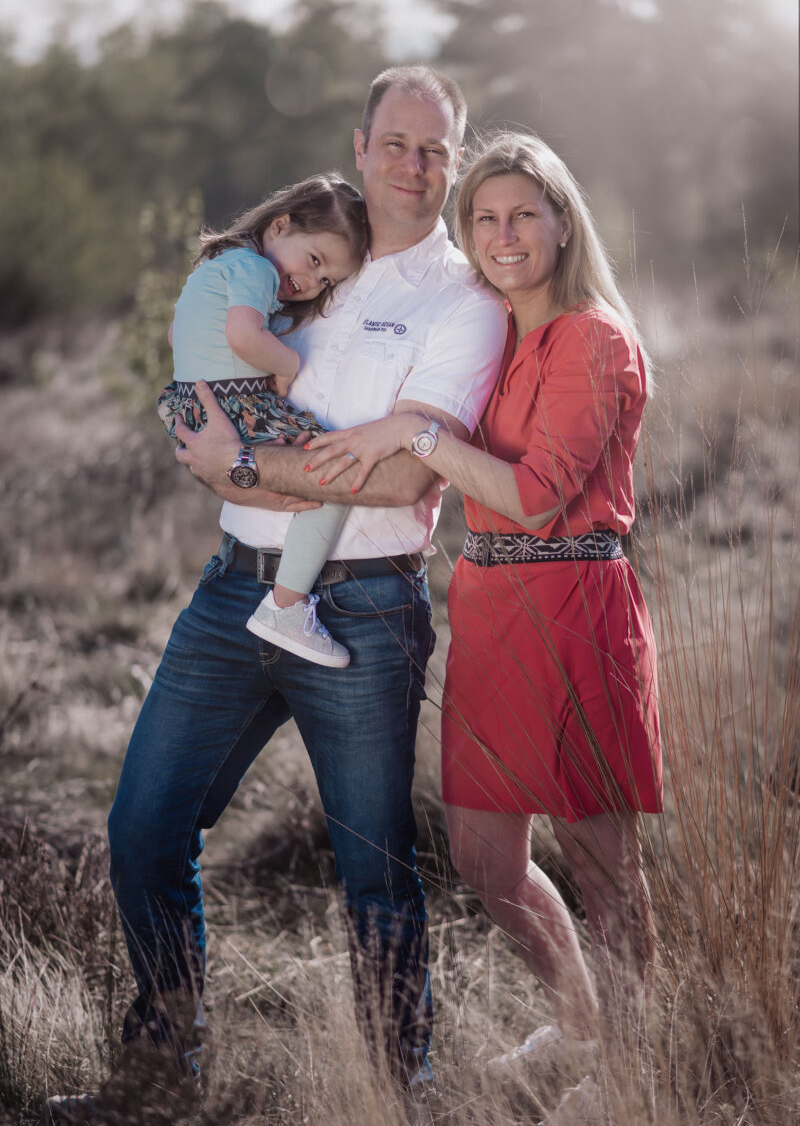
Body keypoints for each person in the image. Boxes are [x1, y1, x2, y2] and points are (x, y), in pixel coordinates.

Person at [46, 66, 508, 1124]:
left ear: (454, 160)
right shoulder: (304, 265)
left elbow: (400, 479)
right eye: (396, 144)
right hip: (231, 595)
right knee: (143, 828)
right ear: (359, 148)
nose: (414, 167)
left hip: (365, 610)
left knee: (374, 869)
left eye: (435, 150)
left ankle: (396, 1094)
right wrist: (217, 450)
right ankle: (161, 1076)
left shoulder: (462, 303)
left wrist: (242, 466)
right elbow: (216, 389)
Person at [303, 131, 663, 1096]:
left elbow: (536, 497)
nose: (504, 235)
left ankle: (629, 1070)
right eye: (485, 219)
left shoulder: (594, 337)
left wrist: (416, 434)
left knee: (601, 861)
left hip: (576, 605)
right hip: (493, 605)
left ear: (561, 223)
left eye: (523, 216)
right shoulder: (494, 330)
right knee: (482, 854)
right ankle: (579, 1026)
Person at [158, 173, 368, 668]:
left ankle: (262, 497)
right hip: (234, 404)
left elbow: (174, 334)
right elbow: (242, 336)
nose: (313, 282)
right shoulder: (257, 270)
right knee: (334, 469)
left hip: (191, 404)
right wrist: (286, 364)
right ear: (280, 225)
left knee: (301, 471)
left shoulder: (218, 266)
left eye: (326, 280)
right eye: (314, 260)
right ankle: (286, 607)